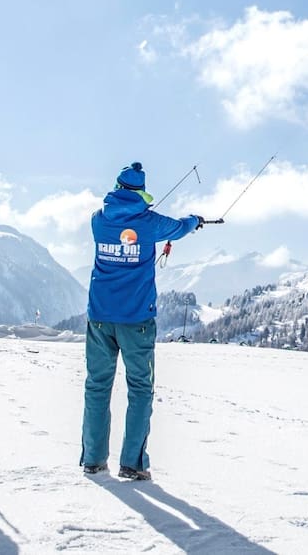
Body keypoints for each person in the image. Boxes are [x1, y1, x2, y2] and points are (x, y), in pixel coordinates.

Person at [80, 161, 203, 480]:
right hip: (136, 321)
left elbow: (126, 225)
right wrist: (195, 220)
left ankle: (93, 459)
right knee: (140, 388)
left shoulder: (98, 220)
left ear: (117, 187)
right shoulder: (150, 223)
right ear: (142, 192)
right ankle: (132, 463)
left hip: (99, 318)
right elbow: (180, 226)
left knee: (97, 386)